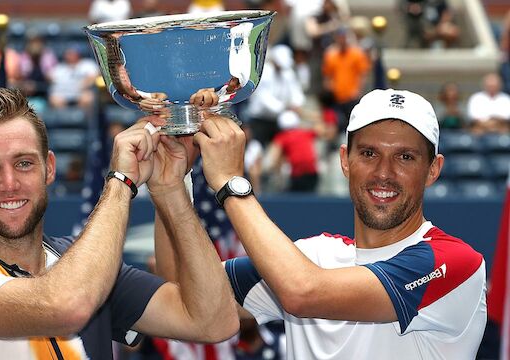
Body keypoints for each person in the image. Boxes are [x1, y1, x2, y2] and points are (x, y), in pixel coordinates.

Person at [0, 87, 239, 359]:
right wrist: (121, 181)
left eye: (23, 163)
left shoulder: (84, 267)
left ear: (49, 168)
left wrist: (170, 188)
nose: (9, 183)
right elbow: (66, 305)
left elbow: (213, 322)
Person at [156, 88, 486, 359]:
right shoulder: (312, 258)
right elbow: (187, 293)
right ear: (345, 160)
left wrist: (230, 182)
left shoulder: (456, 264)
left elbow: (302, 292)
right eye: (369, 154)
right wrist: (173, 183)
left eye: (405, 157)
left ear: (433, 169)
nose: (384, 173)